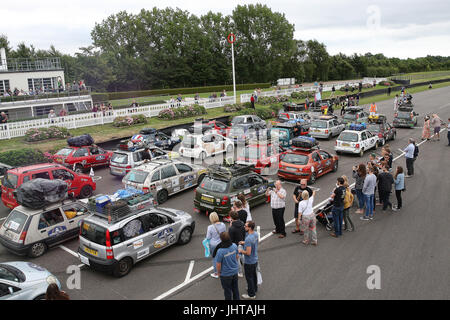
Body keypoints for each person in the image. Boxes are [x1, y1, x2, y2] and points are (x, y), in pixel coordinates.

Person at [215, 232, 240, 300]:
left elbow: (218, 264)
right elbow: (237, 256)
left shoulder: (220, 251)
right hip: (234, 272)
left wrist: (219, 272)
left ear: (221, 239)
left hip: (225, 274)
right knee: (235, 289)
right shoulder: (234, 246)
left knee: (227, 291)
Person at [238, 221, 259, 299]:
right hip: (255, 259)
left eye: (246, 226)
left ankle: (251, 294)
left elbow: (248, 252)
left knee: (249, 278)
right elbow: (255, 243)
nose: (244, 227)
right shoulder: (255, 234)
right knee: (254, 275)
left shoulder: (248, 239)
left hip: (249, 261)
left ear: (250, 228)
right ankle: (255, 288)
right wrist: (245, 243)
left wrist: (241, 251)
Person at [206, 212, 227, 278]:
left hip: (214, 245)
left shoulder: (210, 227)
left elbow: (208, 237)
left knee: (215, 259)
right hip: (222, 243)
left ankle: (216, 273)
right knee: (222, 257)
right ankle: (223, 269)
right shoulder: (223, 224)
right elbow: (224, 233)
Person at [228, 211, 245, 277]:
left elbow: (230, 239)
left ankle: (240, 272)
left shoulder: (231, 228)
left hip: (235, 245)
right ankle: (246, 267)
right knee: (242, 256)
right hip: (242, 243)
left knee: (237, 259)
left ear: (231, 217)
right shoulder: (242, 223)